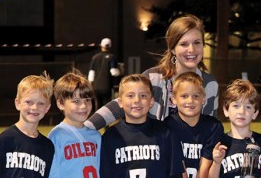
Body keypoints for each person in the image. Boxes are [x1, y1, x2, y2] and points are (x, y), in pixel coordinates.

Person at [86, 14, 218, 130]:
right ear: (172, 49)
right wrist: (84, 129)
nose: (192, 50)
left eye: (197, 43)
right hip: (156, 155)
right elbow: (119, 105)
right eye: (184, 44)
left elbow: (210, 129)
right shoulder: (153, 78)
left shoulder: (209, 83)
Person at [88, 38, 120, 109]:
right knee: (107, 107)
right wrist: (120, 71)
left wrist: (91, 86)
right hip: (107, 86)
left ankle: (98, 119)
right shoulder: (111, 57)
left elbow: (91, 74)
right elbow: (114, 72)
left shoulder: (95, 57)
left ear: (101, 45)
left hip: (96, 87)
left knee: (98, 106)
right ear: (110, 46)